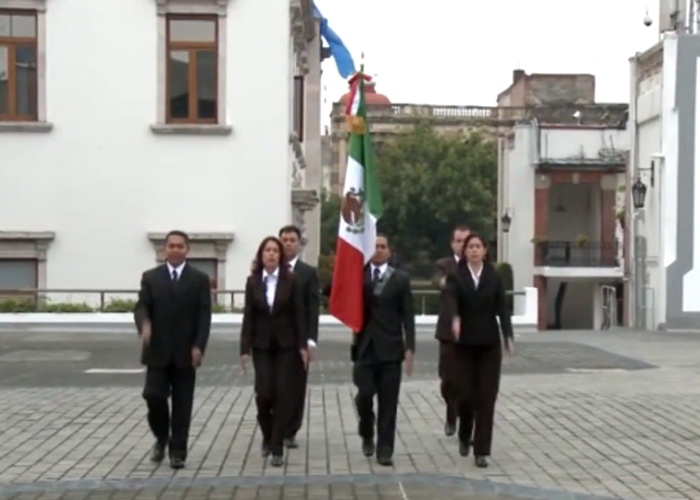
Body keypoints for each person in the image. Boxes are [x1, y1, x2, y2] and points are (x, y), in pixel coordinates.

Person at [326, 235, 416, 466]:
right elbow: (330, 290)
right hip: (365, 347)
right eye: (374, 247)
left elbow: (408, 317)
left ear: (389, 251)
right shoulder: (359, 274)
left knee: (388, 402)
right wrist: (344, 266)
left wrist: (410, 348)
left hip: (391, 349)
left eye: (383, 247)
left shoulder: (400, 279)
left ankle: (385, 448)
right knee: (365, 394)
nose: (378, 250)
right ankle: (367, 430)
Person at [134, 230, 212, 469]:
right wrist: (144, 324)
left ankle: (178, 451)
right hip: (157, 351)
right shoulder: (151, 277)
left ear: (187, 250)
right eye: (171, 246)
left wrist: (199, 346)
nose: (175, 250)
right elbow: (142, 307)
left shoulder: (199, 279)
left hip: (185, 352)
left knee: (182, 403)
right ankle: (161, 436)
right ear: (164, 249)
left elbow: (204, 316)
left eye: (180, 246)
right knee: (153, 395)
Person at [444, 233, 514, 468]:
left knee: (486, 397)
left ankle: (482, 449)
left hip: (489, 345)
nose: (474, 250)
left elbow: (502, 308)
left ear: (485, 251)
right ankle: (465, 433)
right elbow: (451, 299)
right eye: (470, 247)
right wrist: (455, 319)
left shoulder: (494, 276)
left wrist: (508, 336)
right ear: (464, 252)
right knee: (464, 395)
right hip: (464, 344)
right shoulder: (456, 276)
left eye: (478, 246)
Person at [239, 236, 309, 467]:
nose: (271, 254)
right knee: (264, 394)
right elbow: (248, 317)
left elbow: (300, 314)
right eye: (267, 251)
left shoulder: (292, 281)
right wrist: (244, 349)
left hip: (286, 347)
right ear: (261, 256)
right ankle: (267, 435)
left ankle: (277, 446)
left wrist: (303, 346)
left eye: (275, 251)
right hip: (261, 347)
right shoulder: (253, 282)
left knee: (282, 396)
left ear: (280, 256)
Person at [278, 225, 320, 449]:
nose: (288, 243)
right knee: (273, 385)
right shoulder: (269, 269)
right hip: (274, 339)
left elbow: (313, 308)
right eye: (284, 239)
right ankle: (274, 426)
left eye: (292, 240)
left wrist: (311, 339)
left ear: (299, 243)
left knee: (295, 386)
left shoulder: (307, 273)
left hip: (299, 339)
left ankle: (291, 430)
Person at [432, 224, 470, 437]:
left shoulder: (478, 267)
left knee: (468, 380)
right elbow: (438, 282)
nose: (463, 245)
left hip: (471, 331)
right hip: (448, 332)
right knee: (448, 379)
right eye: (458, 241)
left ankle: (465, 419)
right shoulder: (444, 265)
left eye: (466, 241)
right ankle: (450, 410)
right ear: (452, 243)